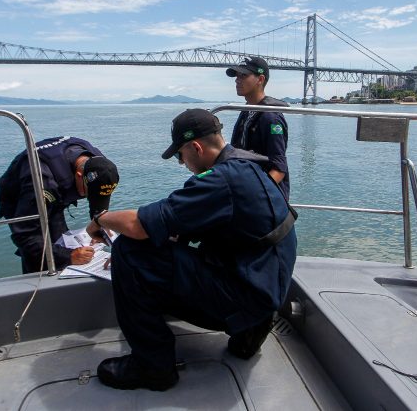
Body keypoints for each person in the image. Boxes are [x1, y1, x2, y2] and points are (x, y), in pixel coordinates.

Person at [86, 109, 297, 391]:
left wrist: (99, 220)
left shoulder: (219, 181)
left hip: (245, 298)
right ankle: (250, 331)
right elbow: (181, 228)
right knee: (154, 245)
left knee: (128, 251)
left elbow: (138, 225)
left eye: (180, 155)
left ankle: (153, 368)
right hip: (267, 289)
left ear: (195, 147)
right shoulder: (249, 167)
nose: (182, 163)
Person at [0, 136, 119, 274]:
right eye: (88, 194)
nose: (89, 198)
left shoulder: (99, 166)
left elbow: (98, 200)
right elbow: (26, 236)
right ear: (79, 175)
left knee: (61, 240)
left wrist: (98, 225)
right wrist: (68, 256)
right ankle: (37, 289)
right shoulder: (42, 182)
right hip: (20, 198)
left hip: (55, 187)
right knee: (37, 253)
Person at [225, 56, 290, 198]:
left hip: (265, 200)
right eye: (236, 76)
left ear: (260, 79)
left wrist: (253, 196)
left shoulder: (271, 118)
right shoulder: (248, 111)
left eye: (243, 75)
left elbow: (279, 169)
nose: (237, 80)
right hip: (247, 187)